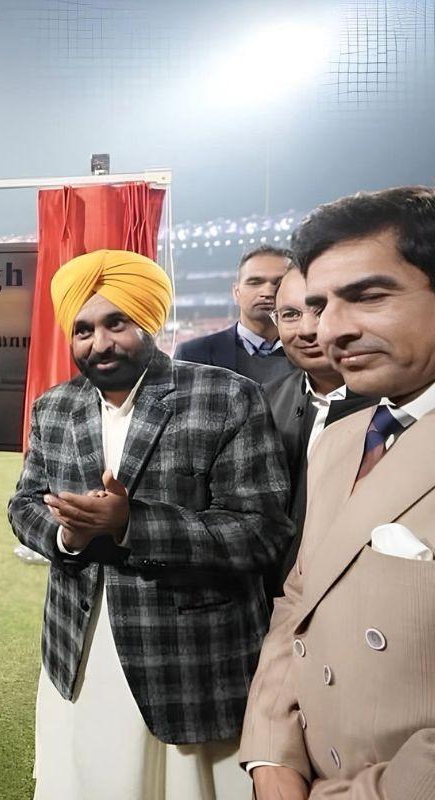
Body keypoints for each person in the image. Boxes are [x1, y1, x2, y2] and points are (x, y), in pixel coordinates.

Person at [9, 249, 291, 800]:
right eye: (84, 329)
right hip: (79, 647)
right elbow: (24, 504)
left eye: (117, 322)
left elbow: (262, 531)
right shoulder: (55, 407)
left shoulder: (225, 395)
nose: (100, 343)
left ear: (150, 320)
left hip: (189, 654)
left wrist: (131, 524)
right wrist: (67, 535)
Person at [242, 186, 435, 799]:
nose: (332, 330)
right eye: (320, 305)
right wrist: (272, 755)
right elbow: (301, 600)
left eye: (369, 296)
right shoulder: (343, 440)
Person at [261, 264, 376, 594]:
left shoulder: (395, 405)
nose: (307, 329)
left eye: (319, 310)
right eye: (290, 314)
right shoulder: (262, 401)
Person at [175, 245, 295, 383]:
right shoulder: (192, 354)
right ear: (236, 292)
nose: (267, 292)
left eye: (279, 283)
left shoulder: (317, 352)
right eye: (255, 282)